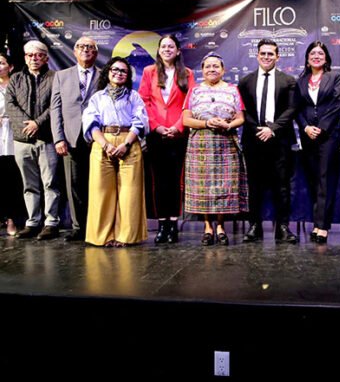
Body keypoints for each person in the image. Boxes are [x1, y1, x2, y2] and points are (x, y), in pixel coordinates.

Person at [82, 56, 149, 247]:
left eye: (123, 71)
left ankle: (126, 236)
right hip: (103, 143)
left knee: (130, 192)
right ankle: (102, 236)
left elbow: (140, 121)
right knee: (101, 191)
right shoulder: (97, 97)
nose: (118, 73)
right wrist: (106, 145)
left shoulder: (133, 96)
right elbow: (91, 123)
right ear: (108, 72)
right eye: (115, 70)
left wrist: (126, 144)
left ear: (128, 75)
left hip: (129, 142)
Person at [182, 52, 248, 246]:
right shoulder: (194, 91)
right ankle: (207, 227)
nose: (212, 69)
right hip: (200, 144)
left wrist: (228, 125)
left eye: (216, 66)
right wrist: (206, 123)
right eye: (208, 66)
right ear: (202, 70)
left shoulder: (232, 90)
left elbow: (240, 118)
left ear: (223, 70)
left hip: (226, 142)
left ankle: (220, 226)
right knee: (202, 187)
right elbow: (186, 120)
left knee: (223, 186)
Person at [238, 39, 298, 244]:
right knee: (254, 186)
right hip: (253, 140)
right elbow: (242, 111)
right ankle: (254, 226)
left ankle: (282, 227)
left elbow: (291, 109)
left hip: (279, 141)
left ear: (277, 56)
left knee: (282, 186)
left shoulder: (288, 80)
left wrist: (272, 129)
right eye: (263, 53)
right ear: (257, 55)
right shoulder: (245, 81)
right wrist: (258, 129)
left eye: (270, 54)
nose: (266, 57)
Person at [138, 34, 195, 244]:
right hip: (157, 134)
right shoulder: (149, 72)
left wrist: (178, 127)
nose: (167, 49)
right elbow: (144, 101)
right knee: (159, 181)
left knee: (176, 181)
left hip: (179, 134)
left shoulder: (187, 73)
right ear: (159, 50)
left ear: (178, 51)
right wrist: (157, 127)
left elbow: (191, 102)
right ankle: (162, 225)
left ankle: (173, 224)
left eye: (171, 46)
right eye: (163, 46)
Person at [6, 40, 61, 240]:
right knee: (29, 184)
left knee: (50, 183)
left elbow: (56, 105)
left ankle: (51, 222)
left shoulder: (55, 78)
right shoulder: (15, 78)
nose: (34, 58)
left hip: (46, 139)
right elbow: (10, 104)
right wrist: (28, 125)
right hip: (22, 140)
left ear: (46, 57)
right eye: (30, 55)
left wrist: (37, 123)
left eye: (38, 55)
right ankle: (33, 222)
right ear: (25, 58)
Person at [51, 37, 100, 242]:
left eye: (90, 47)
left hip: (97, 138)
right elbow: (55, 109)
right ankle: (79, 227)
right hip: (71, 138)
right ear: (74, 51)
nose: (85, 50)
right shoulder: (61, 76)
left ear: (96, 52)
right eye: (81, 46)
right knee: (75, 185)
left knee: (98, 184)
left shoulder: (104, 75)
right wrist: (58, 139)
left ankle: (97, 227)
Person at [294, 41, 340, 244]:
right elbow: (296, 108)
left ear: (326, 58)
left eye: (320, 53)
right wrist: (306, 127)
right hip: (308, 136)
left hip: (328, 135)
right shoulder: (301, 81)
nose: (316, 56)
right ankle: (316, 222)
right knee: (313, 179)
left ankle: (322, 226)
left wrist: (321, 128)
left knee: (325, 179)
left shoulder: (335, 77)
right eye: (312, 53)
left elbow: (336, 104)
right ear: (307, 59)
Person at [0, 51, 25, 236]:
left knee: (12, 179)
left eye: (2, 63)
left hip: (12, 135)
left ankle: (11, 219)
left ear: (10, 67)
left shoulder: (16, 86)